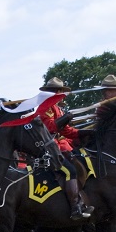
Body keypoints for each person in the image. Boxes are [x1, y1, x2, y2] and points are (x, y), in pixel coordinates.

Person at [38, 77, 92, 220]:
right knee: (70, 171)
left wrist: (84, 132)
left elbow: (67, 131)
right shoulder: (44, 106)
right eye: (55, 91)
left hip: (60, 148)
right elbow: (49, 127)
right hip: (49, 149)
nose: (58, 93)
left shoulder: (56, 108)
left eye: (58, 90)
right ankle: (75, 207)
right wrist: (65, 118)